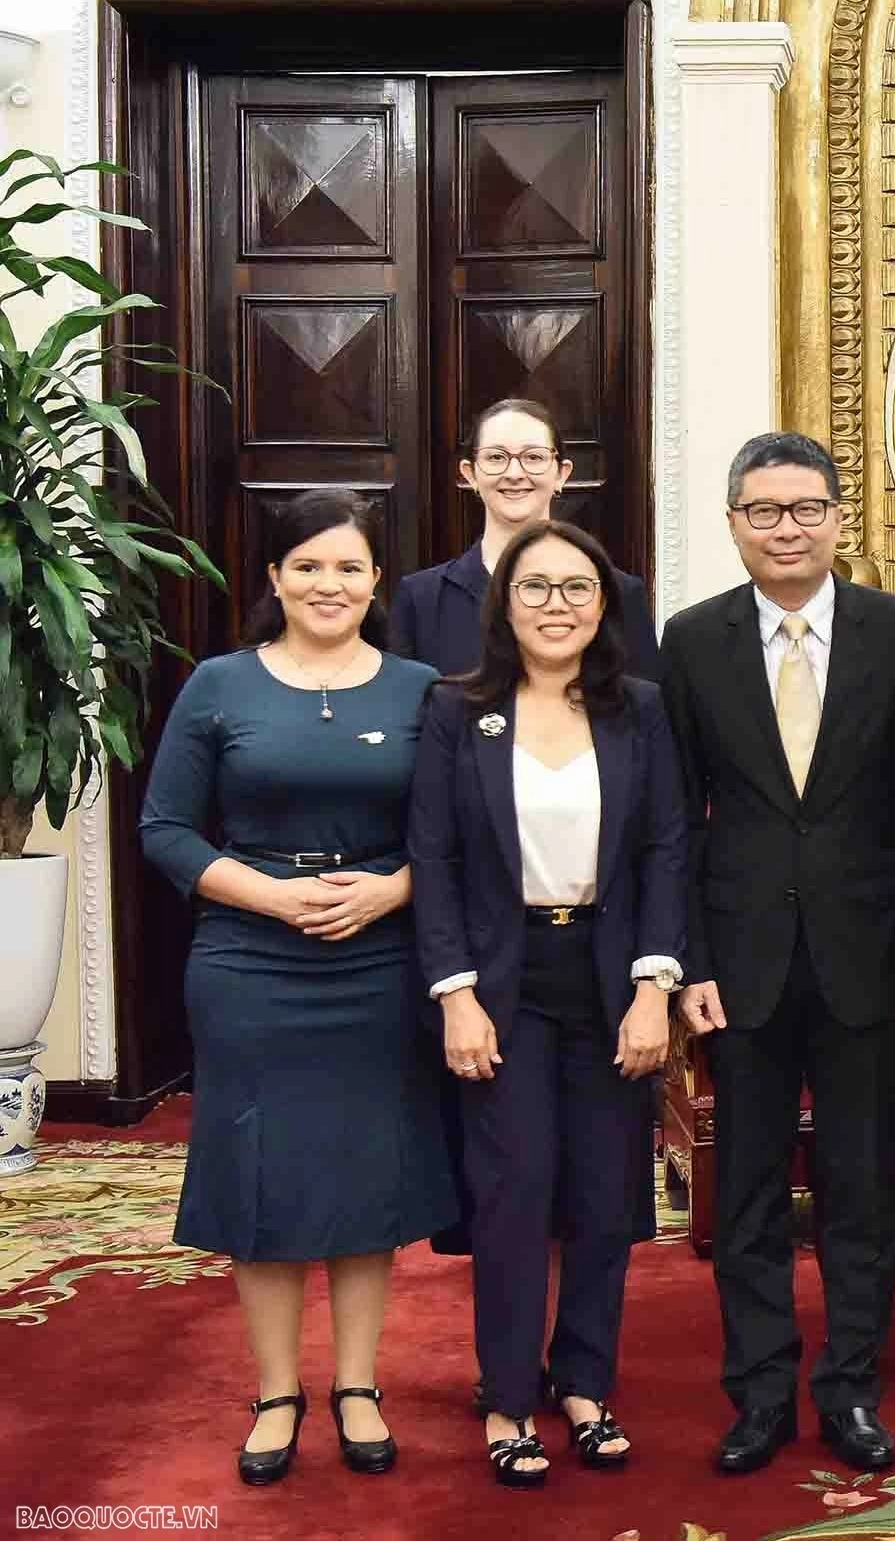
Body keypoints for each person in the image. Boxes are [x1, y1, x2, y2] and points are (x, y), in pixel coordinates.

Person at [138, 488, 458, 1486]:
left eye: (349, 566)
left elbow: (458, 831)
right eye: (308, 566)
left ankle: (357, 1384)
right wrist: (274, 898)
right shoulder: (219, 685)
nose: (329, 584)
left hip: (379, 959)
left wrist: (391, 891)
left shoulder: (420, 690)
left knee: (367, 1171)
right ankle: (277, 1391)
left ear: (376, 581)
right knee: (262, 1173)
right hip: (249, 959)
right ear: (274, 577)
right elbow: (165, 830)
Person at [660, 432, 895, 1478]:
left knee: (862, 1191)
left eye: (807, 508)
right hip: (739, 966)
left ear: (838, 517)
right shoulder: (692, 640)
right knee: (745, 1193)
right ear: (734, 523)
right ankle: (761, 1392)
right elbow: (675, 819)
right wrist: (688, 961)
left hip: (867, 957)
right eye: (765, 511)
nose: (787, 528)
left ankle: (852, 1388)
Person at [406, 519, 685, 1488]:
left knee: (605, 1199)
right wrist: (455, 994)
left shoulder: (639, 708)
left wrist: (653, 987)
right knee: (513, 1195)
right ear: (505, 603)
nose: (556, 604)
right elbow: (434, 857)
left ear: (604, 605)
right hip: (501, 982)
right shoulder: (457, 709)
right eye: (536, 587)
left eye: (577, 587)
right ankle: (508, 1397)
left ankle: (585, 1384)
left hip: (609, 977)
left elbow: (665, 851)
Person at [392, 397, 661, 680]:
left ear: (562, 474)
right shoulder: (421, 599)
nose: (514, 473)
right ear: (470, 474)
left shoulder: (618, 593)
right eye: (496, 458)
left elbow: (640, 702)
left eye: (533, 457)